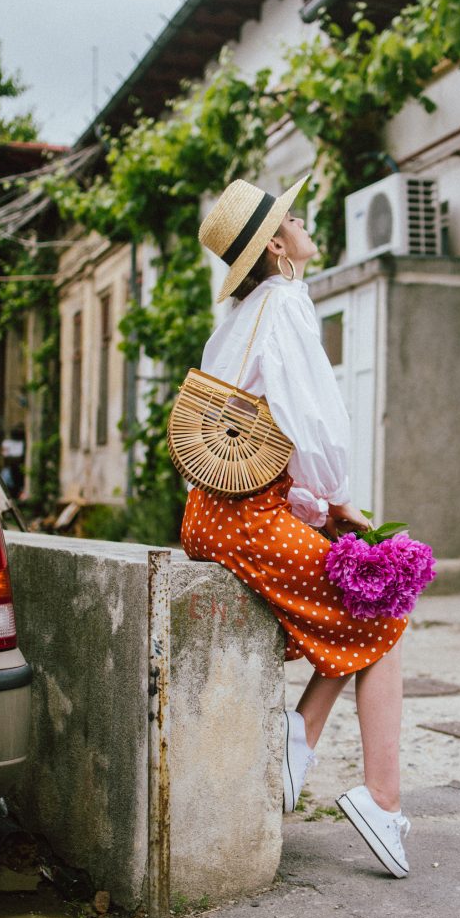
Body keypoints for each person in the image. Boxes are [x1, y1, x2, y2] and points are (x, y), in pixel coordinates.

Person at [181, 176, 410, 878]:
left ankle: (298, 736)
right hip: (245, 516)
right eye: (293, 218)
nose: (305, 223)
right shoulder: (282, 304)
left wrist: (314, 505)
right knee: (382, 609)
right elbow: (311, 420)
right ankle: (380, 800)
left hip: (220, 513)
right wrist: (338, 499)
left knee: (358, 605)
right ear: (277, 245)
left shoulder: (247, 312)